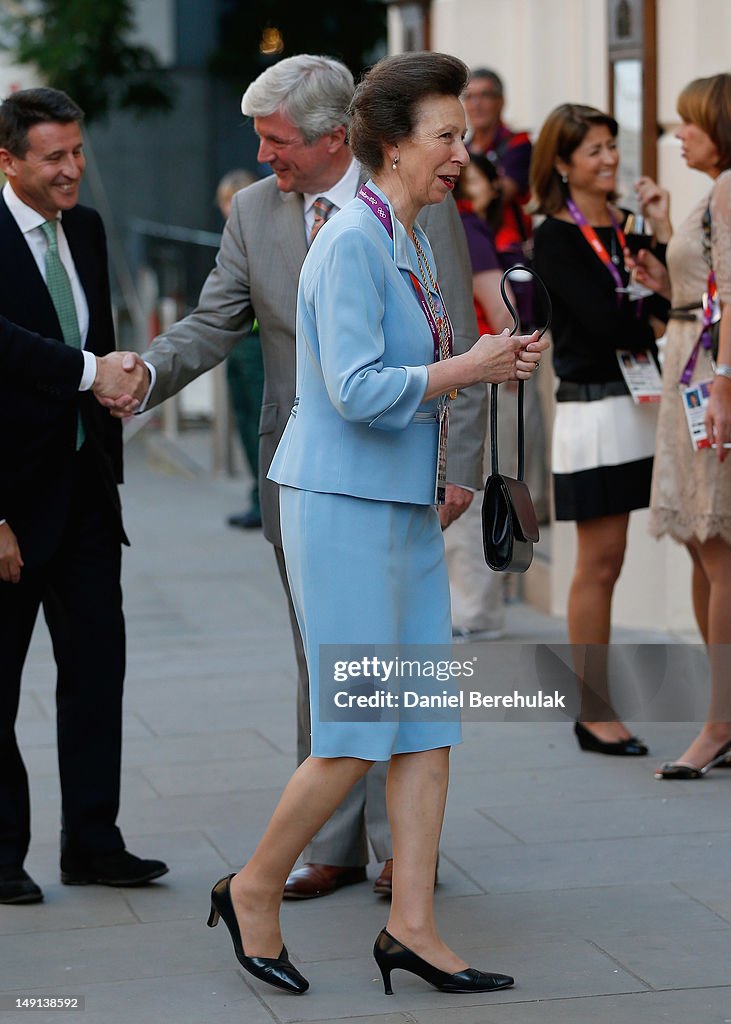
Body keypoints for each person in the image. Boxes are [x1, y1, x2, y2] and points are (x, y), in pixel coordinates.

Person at [100, 54, 489, 900]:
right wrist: (145, 376)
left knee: (413, 687)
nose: (263, 154)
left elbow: (453, 332)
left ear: (332, 139)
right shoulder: (257, 211)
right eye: (449, 136)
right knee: (332, 670)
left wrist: (459, 468)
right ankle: (330, 849)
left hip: (407, 475)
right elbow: (212, 322)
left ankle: (403, 867)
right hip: (318, 482)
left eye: (276, 140)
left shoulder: (421, 206)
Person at [205, 49, 546, 999]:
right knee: (356, 730)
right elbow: (353, 392)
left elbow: (415, 368)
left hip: (394, 507)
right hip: (341, 508)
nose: (460, 155)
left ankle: (413, 928)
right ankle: (252, 888)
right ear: (392, 145)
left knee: (427, 728)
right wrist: (469, 369)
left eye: (462, 137)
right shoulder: (352, 240)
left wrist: (487, 363)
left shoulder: (404, 229)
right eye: (447, 137)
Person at [0, 88, 167, 905]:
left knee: (98, 673)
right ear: (8, 161)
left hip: (88, 492)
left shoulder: (88, 229)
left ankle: (94, 844)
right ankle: (0, 854)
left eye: (77, 152)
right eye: (53, 157)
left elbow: (91, 343)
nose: (72, 170)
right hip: (8, 506)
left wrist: (120, 377)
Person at [531, 104, 669, 756]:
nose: (608, 159)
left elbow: (669, 301)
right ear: (561, 163)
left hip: (643, 402)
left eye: (611, 146)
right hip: (594, 411)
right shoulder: (554, 239)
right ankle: (591, 708)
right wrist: (654, 307)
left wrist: (660, 241)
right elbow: (608, 324)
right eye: (593, 150)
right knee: (599, 564)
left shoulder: (630, 227)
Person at [632, 73, 731, 778]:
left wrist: (724, 382)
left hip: (707, 377)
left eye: (685, 123)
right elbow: (707, 290)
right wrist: (666, 256)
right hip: (691, 365)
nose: (677, 135)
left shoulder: (728, 188)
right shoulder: (713, 193)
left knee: (718, 550)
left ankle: (718, 722)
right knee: (703, 545)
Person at [445, 155, 514, 640]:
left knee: (467, 487)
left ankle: (475, 610)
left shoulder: (464, 229)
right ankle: (469, 606)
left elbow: (498, 309)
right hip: (464, 377)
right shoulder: (462, 227)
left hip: (477, 381)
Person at [214, 170, 265, 530]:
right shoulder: (234, 237)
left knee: (258, 425)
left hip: (259, 343)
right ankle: (257, 495)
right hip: (239, 341)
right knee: (244, 422)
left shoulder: (262, 237)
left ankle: (264, 500)